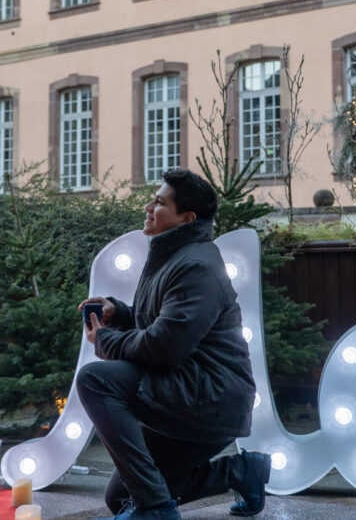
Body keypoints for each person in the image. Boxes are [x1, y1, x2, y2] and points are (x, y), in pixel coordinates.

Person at [76, 169, 270, 520]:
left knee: (95, 379)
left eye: (160, 202)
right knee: (120, 494)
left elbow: (165, 347)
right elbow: (165, 324)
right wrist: (118, 313)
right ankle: (240, 472)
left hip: (210, 397)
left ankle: (157, 510)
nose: (149, 206)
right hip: (189, 390)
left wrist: (104, 340)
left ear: (187, 218)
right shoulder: (174, 254)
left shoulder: (195, 265)